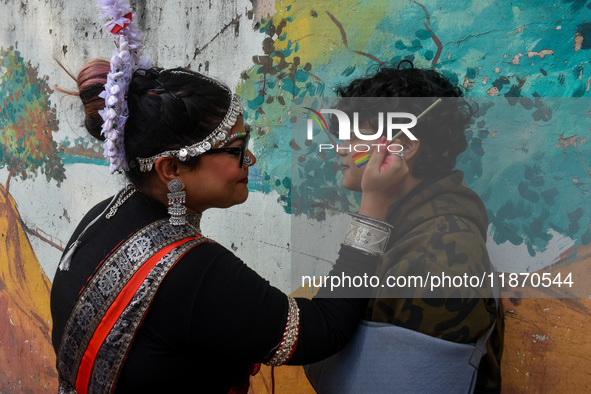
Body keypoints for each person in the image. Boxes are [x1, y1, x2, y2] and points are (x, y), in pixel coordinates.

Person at [49, 47, 410, 394]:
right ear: (172, 169)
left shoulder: (103, 215)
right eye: (236, 148)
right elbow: (323, 330)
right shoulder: (192, 272)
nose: (250, 158)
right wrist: (374, 204)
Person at [304, 63, 504, 393]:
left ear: (404, 146)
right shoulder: (405, 225)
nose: (341, 148)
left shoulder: (436, 252)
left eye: (355, 135)